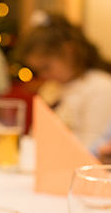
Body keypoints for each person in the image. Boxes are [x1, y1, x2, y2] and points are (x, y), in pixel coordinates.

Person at [19, 12, 111, 150]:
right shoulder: (52, 87)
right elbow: (35, 136)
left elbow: (93, 151)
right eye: (39, 70)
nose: (43, 75)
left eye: (46, 67)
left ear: (69, 51)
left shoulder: (100, 88)